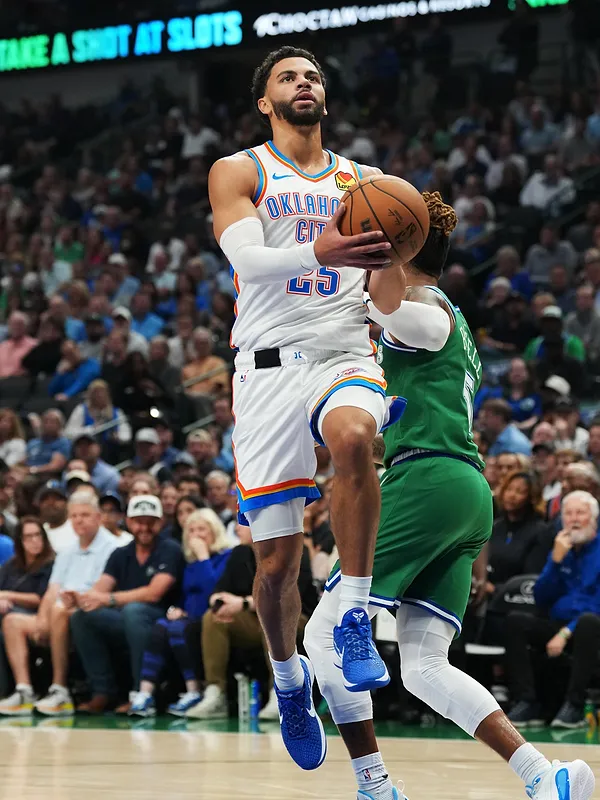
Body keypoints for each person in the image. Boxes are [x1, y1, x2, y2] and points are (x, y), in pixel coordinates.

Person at [303, 193, 594, 800]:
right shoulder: (454, 320)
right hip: (465, 489)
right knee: (425, 667)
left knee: (323, 632)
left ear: (394, 249)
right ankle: (543, 774)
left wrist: (360, 283)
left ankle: (375, 785)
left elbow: (420, 324)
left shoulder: (427, 307)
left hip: (429, 479)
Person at [209, 45, 402, 769]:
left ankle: (354, 609)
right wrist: (323, 251)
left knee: (355, 437)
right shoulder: (241, 170)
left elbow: (387, 296)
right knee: (277, 565)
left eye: (313, 76)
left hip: (344, 349)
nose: (305, 84)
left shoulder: (370, 182)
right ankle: (290, 680)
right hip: (264, 372)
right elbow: (250, 262)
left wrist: (393, 268)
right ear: (265, 100)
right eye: (289, 77)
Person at [0, 493, 117, 716]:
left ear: (98, 517)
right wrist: (43, 621)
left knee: (60, 609)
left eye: (84, 515)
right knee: (13, 621)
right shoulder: (67, 551)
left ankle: (60, 689)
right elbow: (52, 590)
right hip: (59, 610)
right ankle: (24, 691)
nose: (78, 520)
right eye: (74, 516)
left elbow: (102, 592)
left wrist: (73, 602)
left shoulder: (112, 548)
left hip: (91, 612)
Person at [70, 495, 184, 714]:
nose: (144, 527)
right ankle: (102, 691)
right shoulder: (121, 553)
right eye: (138, 521)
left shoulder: (170, 549)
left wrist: (109, 599)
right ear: (129, 522)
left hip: (162, 617)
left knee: (134, 611)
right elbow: (100, 590)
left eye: (150, 521)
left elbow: (154, 593)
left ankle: (140, 694)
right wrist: (80, 598)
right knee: (81, 617)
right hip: (127, 619)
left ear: (160, 522)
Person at [506, 491, 600, 730]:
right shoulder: (561, 549)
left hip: (590, 627)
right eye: (568, 513)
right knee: (516, 621)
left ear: (594, 519)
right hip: (557, 623)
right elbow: (541, 597)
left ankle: (574, 706)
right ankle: (527, 701)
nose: (574, 519)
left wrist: (567, 632)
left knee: (588, 621)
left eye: (580, 513)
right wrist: (555, 561)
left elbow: (596, 605)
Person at [129, 508, 232, 717]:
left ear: (215, 531)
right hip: (190, 618)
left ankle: (194, 691)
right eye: (191, 530)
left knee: (176, 628)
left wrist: (204, 556)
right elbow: (186, 596)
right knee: (161, 626)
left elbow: (214, 590)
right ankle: (145, 693)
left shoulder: (227, 557)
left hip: (214, 619)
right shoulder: (190, 564)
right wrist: (176, 609)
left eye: (202, 529)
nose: (196, 535)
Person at [0, 517, 54, 699]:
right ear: (20, 541)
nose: (34, 541)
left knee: (9, 621)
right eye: (28, 537)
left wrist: (8, 596)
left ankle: (21, 689)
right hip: (10, 613)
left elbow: (41, 598)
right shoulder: (12, 565)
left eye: (38, 535)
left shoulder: (52, 563)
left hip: (40, 616)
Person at [64, 379, 131, 447]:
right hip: (87, 449)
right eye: (96, 392)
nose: (100, 395)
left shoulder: (117, 412)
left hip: (112, 450)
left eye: (102, 392)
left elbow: (127, 435)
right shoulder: (81, 409)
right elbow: (69, 433)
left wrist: (118, 437)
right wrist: (91, 429)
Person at [26, 409, 71, 478]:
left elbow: (55, 466)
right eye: (45, 421)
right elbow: (23, 461)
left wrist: (32, 470)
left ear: (60, 425)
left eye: (52, 422)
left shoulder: (63, 443)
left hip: (46, 477)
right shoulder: (33, 443)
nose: (48, 425)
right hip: (27, 473)